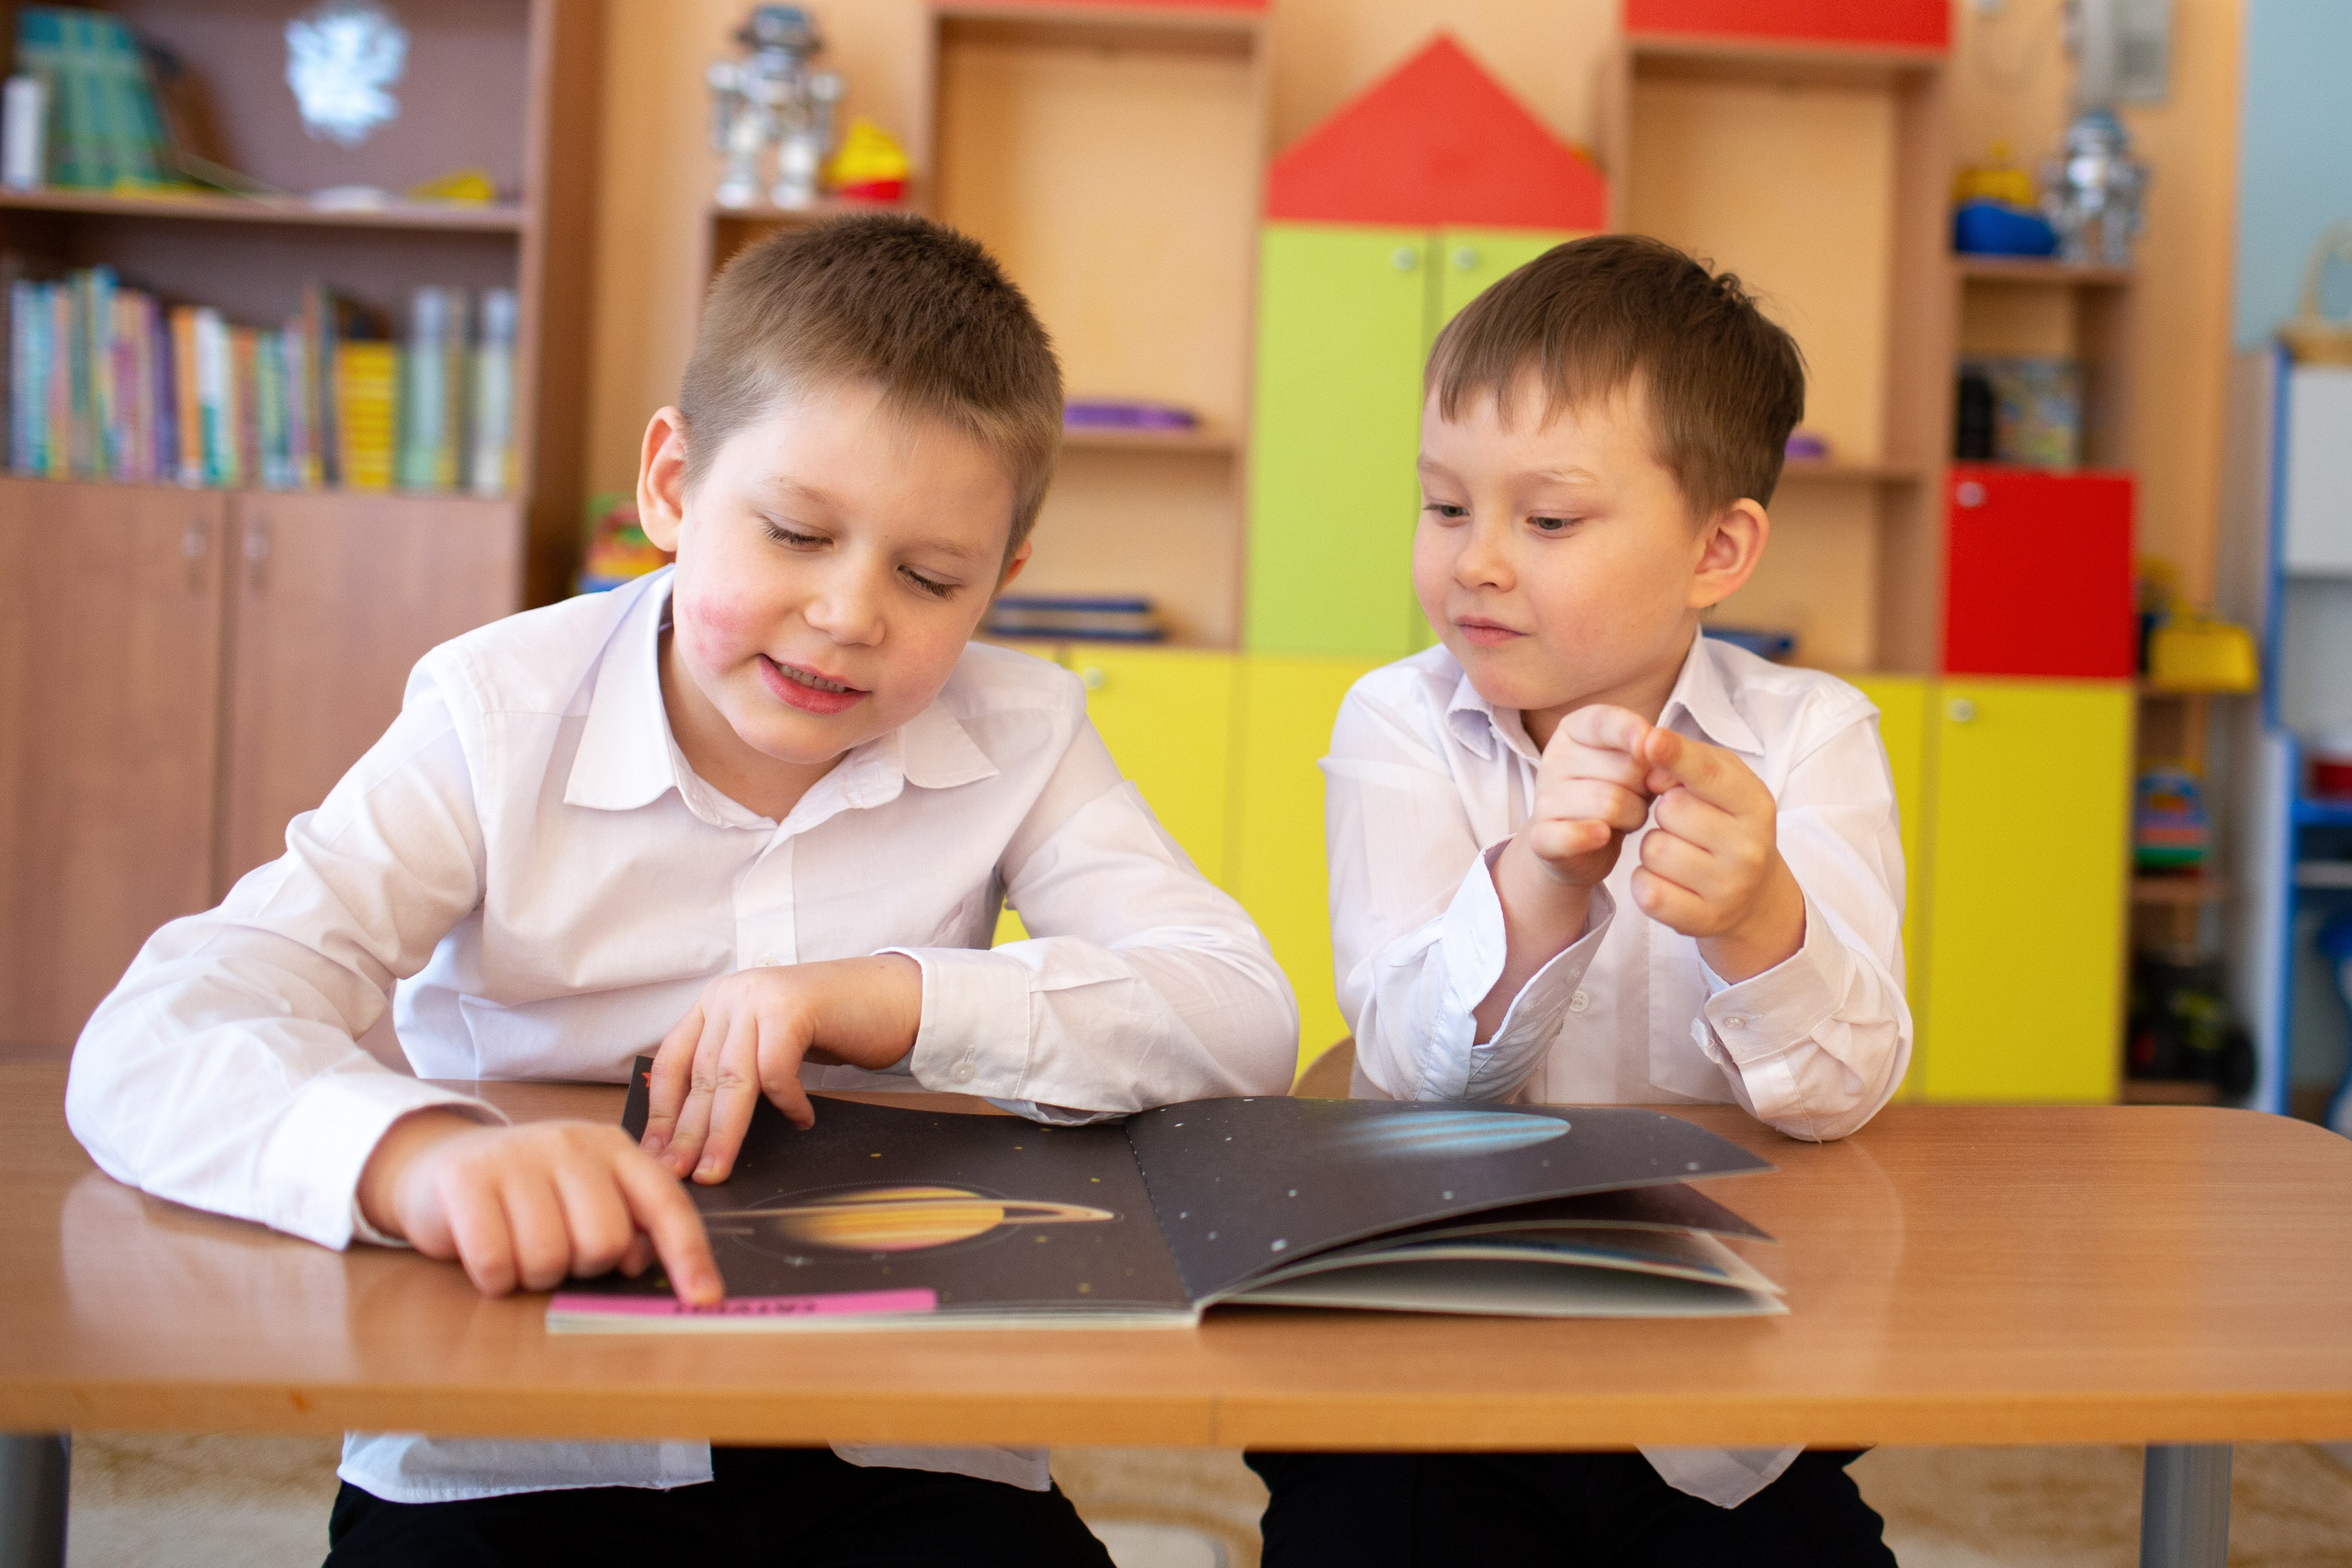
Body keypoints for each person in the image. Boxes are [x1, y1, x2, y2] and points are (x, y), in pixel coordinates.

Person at [66, 214, 1297, 1567]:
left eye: (930, 576)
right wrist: (415, 1158)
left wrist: (886, 998)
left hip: (902, 1434)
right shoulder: (494, 712)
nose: (849, 614)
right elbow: (158, 1033)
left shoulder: (1027, 731)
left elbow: (1236, 1016)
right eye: (792, 533)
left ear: (1000, 580)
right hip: (509, 1437)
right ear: (670, 484)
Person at [1249, 234, 1909, 1567]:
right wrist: (1542, 880)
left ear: (1717, 548)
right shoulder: (1400, 722)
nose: (1477, 562)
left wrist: (1757, 916)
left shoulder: (1810, 739)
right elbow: (1412, 1070)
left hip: (1723, 1395)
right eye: (1445, 508)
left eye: (1546, 521)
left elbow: (1839, 1093)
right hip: (1431, 1376)